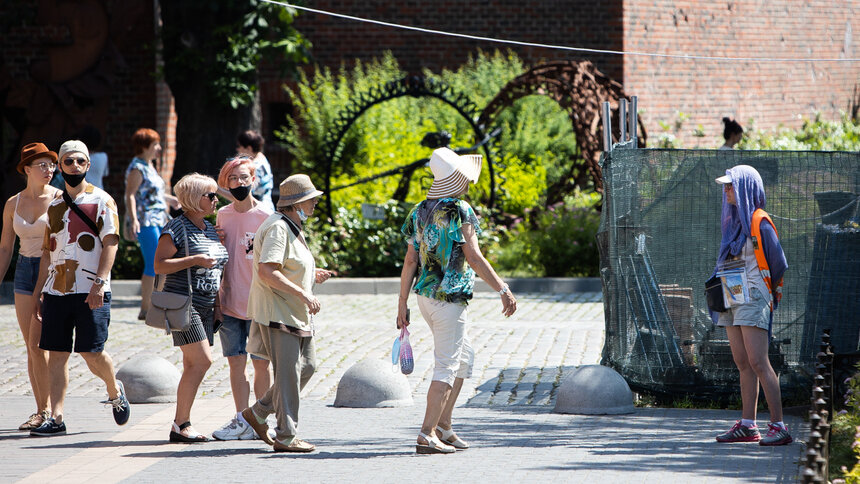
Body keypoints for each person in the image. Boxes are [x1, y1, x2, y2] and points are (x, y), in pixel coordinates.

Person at [397, 148, 517, 454]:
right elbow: (474, 257)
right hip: (449, 301)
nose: (468, 182)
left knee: (465, 359)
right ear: (457, 178)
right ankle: (426, 433)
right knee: (447, 367)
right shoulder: (460, 210)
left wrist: (402, 304)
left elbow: (410, 261)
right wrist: (502, 288)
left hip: (426, 298)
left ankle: (444, 427)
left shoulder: (419, 211)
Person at [30, 140, 130, 437]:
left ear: (88, 165)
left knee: (91, 352)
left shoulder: (102, 200)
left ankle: (115, 390)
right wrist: (39, 293)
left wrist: (100, 283)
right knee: (57, 352)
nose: (74, 167)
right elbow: (47, 252)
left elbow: (111, 243)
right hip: (58, 289)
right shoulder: (55, 206)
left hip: (91, 287)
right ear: (60, 166)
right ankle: (57, 418)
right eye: (69, 162)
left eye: (80, 162)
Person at [241, 174, 334, 453]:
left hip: (291, 311)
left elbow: (286, 265)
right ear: (296, 203)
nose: (315, 202)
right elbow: (268, 271)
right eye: (311, 199)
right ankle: (286, 435)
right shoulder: (279, 227)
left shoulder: (290, 224)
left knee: (305, 367)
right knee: (289, 373)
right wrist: (304, 293)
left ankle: (257, 413)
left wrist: (310, 276)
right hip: (279, 311)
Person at [712, 165, 791, 446]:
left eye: (731, 186)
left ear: (746, 187)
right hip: (732, 296)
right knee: (742, 362)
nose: (726, 190)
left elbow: (779, 264)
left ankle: (779, 425)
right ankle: (748, 425)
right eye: (725, 186)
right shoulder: (733, 220)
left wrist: (765, 292)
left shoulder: (760, 220)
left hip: (754, 296)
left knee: (759, 362)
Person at [153, 173, 228, 443]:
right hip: (184, 304)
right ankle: (181, 422)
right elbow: (159, 265)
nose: (216, 199)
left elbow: (217, 271)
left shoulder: (208, 228)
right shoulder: (176, 228)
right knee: (202, 361)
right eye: (210, 195)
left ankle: (181, 424)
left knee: (191, 364)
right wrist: (193, 259)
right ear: (195, 199)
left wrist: (218, 305)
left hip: (208, 305)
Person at [210, 156, 274, 441]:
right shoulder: (222, 215)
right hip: (229, 301)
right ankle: (241, 419)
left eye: (243, 178)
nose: (238, 183)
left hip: (259, 303)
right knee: (236, 362)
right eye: (232, 179)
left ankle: (261, 418)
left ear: (254, 180)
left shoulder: (266, 216)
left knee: (262, 363)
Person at [0, 143, 61, 431]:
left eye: (52, 164)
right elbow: (4, 248)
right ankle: (41, 411)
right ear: (26, 169)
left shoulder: (61, 198)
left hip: (54, 271)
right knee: (32, 347)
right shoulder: (13, 203)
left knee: (46, 344)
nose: (49, 170)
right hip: (25, 269)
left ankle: (55, 411)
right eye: (42, 165)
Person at [124, 128, 175, 320]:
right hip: (146, 221)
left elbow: (153, 194)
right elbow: (131, 194)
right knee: (154, 264)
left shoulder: (150, 165)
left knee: (162, 263)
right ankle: (147, 308)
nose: (159, 148)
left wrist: (171, 200)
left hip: (160, 219)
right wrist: (134, 219)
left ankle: (153, 306)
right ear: (145, 146)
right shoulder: (137, 167)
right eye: (155, 145)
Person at [236, 130, 274, 211]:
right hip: (267, 208)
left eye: (239, 146)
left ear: (249, 148)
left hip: (260, 212)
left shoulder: (256, 167)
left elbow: (244, 197)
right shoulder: (261, 158)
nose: (237, 149)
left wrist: (217, 189)